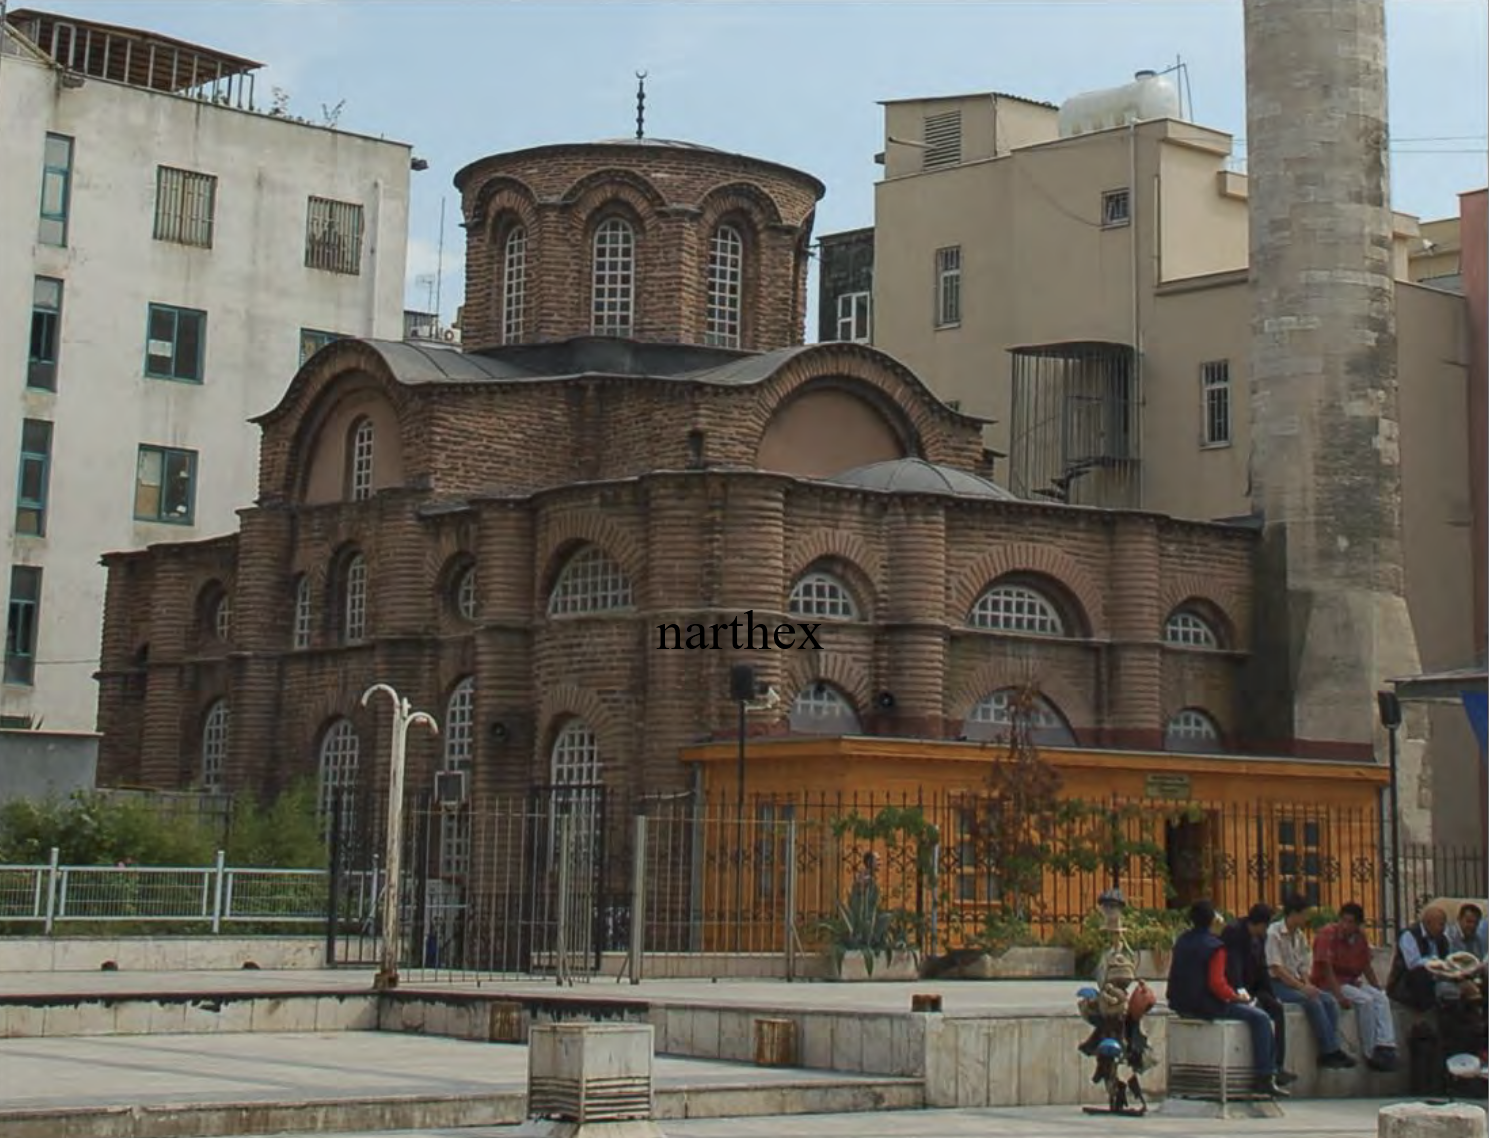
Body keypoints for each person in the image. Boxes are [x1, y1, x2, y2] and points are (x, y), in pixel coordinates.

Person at [1167, 898, 1289, 1098]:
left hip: (1180, 1003)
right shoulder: (1215, 947)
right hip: (1206, 1005)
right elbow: (1217, 984)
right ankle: (1265, 1076)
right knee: (1261, 1018)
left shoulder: (1182, 941)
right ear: (1212, 920)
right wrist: (1236, 998)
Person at [1266, 893, 1356, 1068]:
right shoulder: (1274, 933)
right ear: (1294, 914)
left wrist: (1307, 984)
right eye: (1304, 914)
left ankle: (1332, 1048)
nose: (1306, 918)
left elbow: (1302, 965)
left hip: (1295, 982)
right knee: (1312, 1001)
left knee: (1328, 1000)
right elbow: (1277, 968)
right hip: (1277, 984)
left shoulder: (1299, 935)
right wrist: (1302, 988)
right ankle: (1329, 1051)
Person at [1311, 901, 1398, 1071]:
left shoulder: (1360, 938)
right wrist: (1339, 995)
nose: (1345, 925)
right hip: (1330, 983)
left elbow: (1366, 966)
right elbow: (1326, 969)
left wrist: (1377, 988)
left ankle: (1386, 1045)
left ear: (1358, 925)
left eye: (1350, 922)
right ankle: (1370, 1052)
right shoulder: (1327, 934)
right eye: (1343, 920)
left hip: (1351, 981)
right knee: (1365, 1001)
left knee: (1381, 998)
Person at [1221, 903, 1296, 1084]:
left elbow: (1262, 968)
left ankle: (1277, 1066)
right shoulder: (1234, 933)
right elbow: (1233, 968)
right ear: (1260, 924)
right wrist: (1242, 995)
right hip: (1237, 990)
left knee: (1276, 1008)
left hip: (1254, 987)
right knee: (1260, 1015)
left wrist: (1270, 994)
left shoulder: (1259, 937)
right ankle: (1265, 1070)